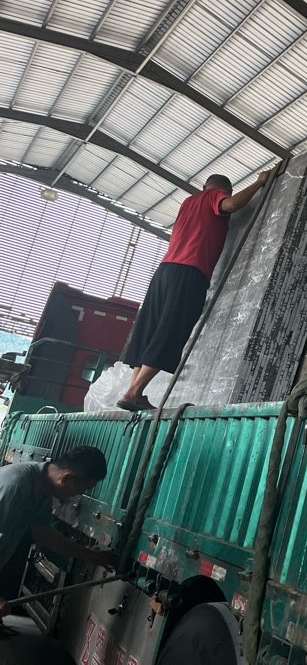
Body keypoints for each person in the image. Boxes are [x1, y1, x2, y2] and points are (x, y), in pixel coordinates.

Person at [117, 170, 271, 411]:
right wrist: (259, 183)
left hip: (164, 270)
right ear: (223, 190)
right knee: (172, 329)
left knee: (150, 329)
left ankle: (133, 390)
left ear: (203, 186)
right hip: (190, 272)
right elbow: (231, 205)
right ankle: (133, 393)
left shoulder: (188, 202)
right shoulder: (213, 197)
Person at [0, 447, 116, 617]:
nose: (78, 495)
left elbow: (43, 533)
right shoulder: (17, 486)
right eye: (81, 489)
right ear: (67, 478)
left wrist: (92, 555)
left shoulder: (40, 486)